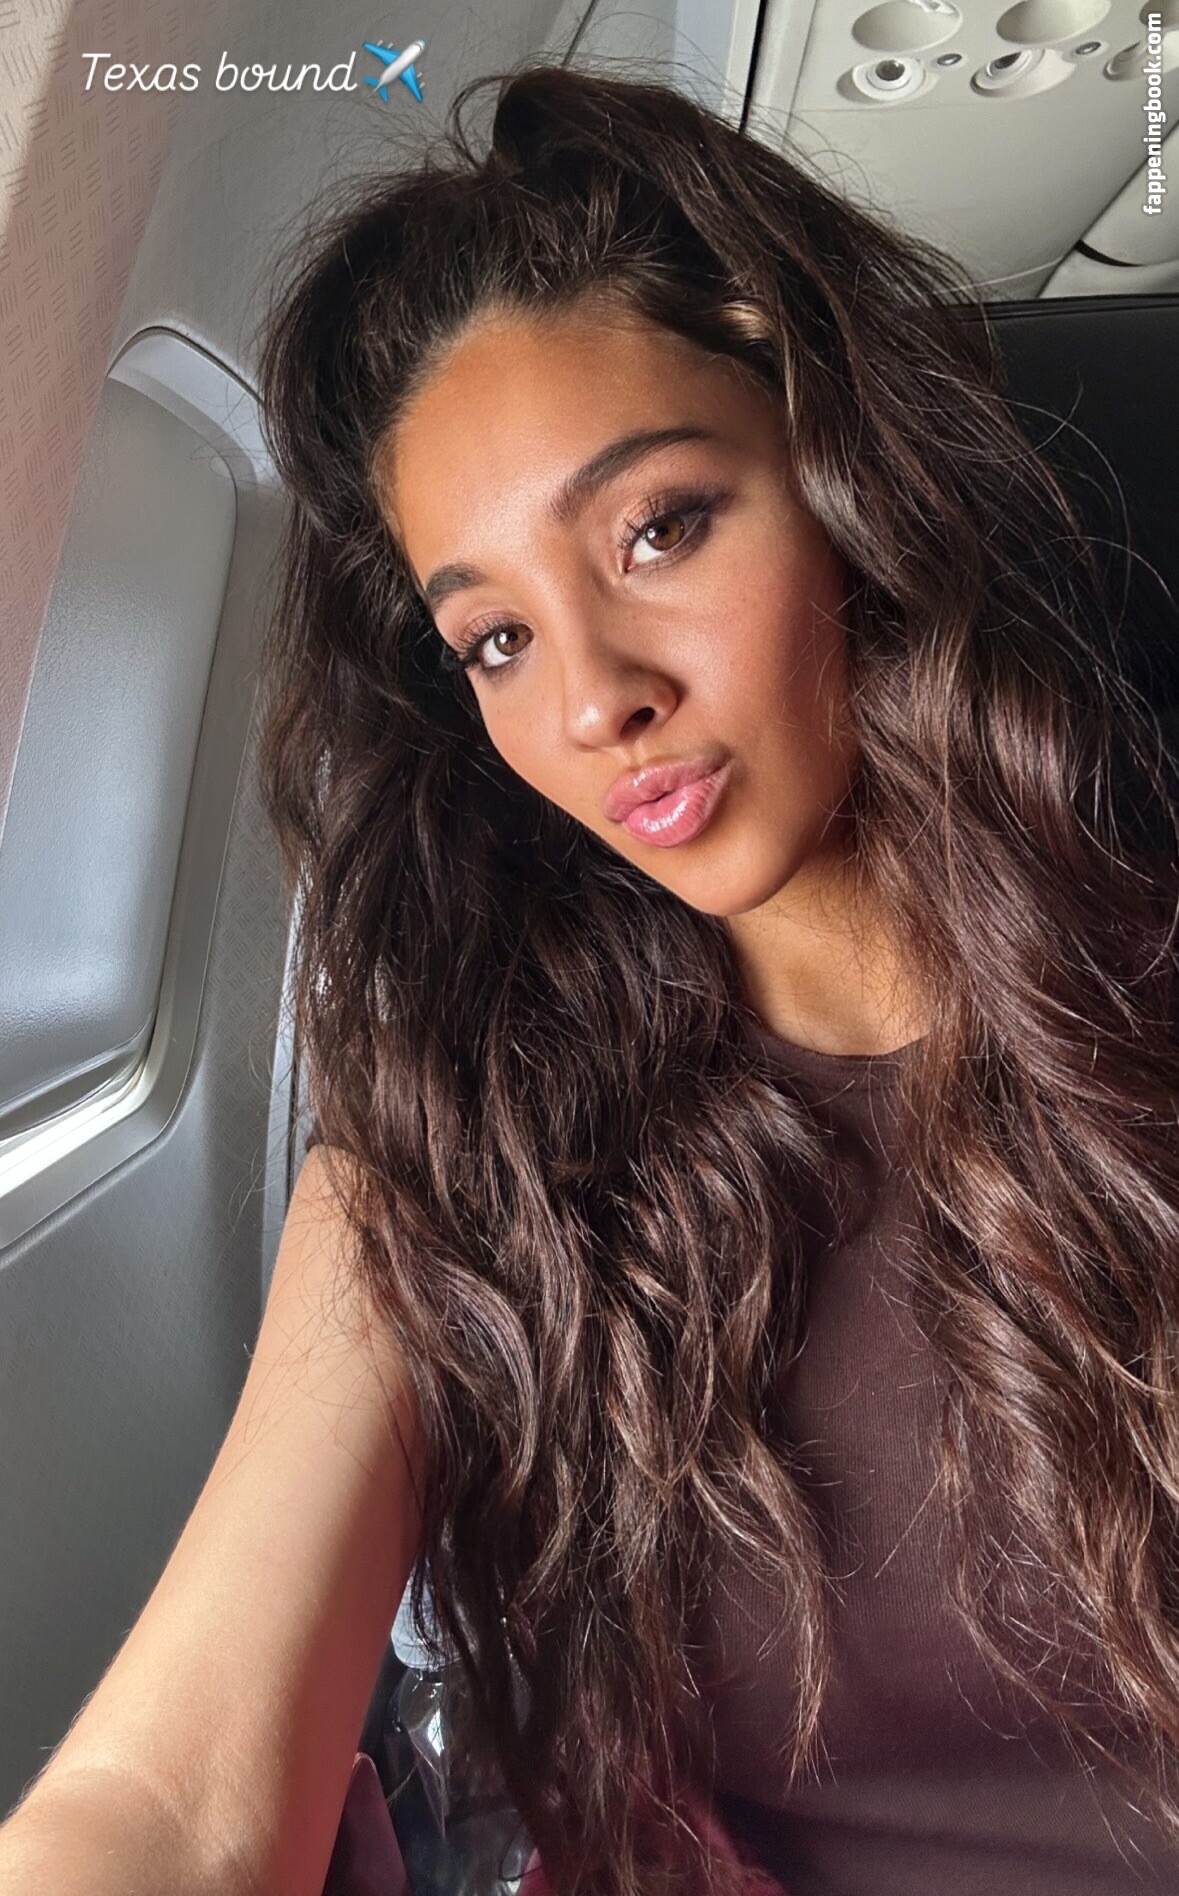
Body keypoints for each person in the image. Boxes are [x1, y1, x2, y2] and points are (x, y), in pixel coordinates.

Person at [4, 55, 1179, 1896]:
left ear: (838, 474)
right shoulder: (465, 1159)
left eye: (660, 528)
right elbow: (175, 1796)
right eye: (493, 637)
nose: (592, 699)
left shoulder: (1141, 996)